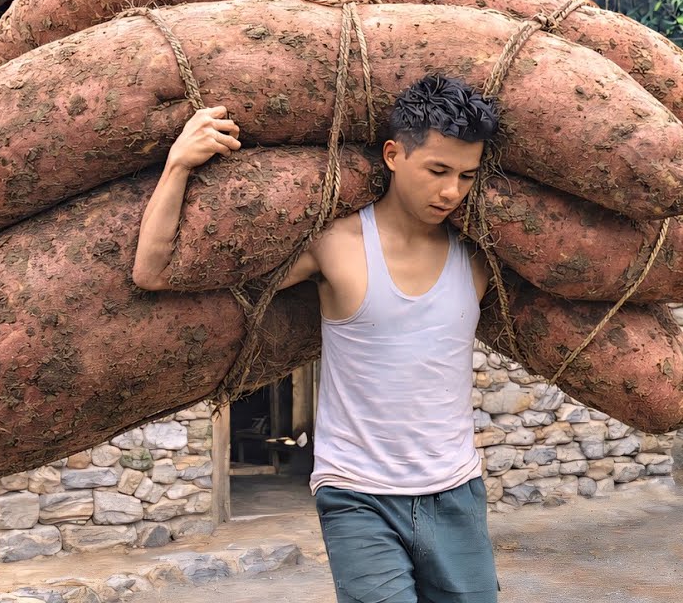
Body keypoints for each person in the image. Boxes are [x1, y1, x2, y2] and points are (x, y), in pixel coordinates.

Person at [133, 74, 501, 603]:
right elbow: (157, 270)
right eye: (438, 170)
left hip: (457, 490)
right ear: (394, 155)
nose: (451, 191)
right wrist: (178, 165)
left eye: (467, 176)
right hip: (356, 493)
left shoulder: (480, 255)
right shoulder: (336, 245)